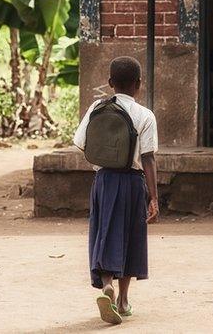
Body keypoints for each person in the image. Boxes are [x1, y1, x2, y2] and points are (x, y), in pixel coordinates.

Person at [73, 56, 159, 325]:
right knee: (131, 237)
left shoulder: (97, 108)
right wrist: (154, 196)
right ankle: (122, 299)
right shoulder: (145, 115)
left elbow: (80, 144)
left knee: (105, 232)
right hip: (133, 182)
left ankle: (106, 284)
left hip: (104, 180)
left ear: (110, 83)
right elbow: (148, 158)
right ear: (139, 84)